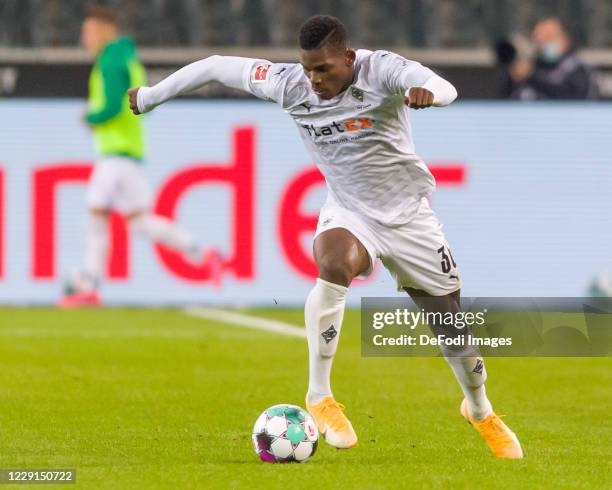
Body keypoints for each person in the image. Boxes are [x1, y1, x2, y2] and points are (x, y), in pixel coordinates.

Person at [128, 15, 523, 459]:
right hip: (350, 211)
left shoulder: (381, 71)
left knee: (451, 326)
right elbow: (218, 65)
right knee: (334, 262)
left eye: (324, 69)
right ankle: (320, 396)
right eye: (308, 68)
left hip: (410, 218)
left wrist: (431, 95)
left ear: (349, 59)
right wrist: (150, 96)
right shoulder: (288, 84)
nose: (314, 79)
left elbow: (441, 84)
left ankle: (479, 408)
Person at [60, 4, 221, 308]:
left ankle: (89, 285)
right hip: (130, 155)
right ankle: (203, 253)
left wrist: (90, 117)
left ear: (107, 29)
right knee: (140, 223)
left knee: (96, 215)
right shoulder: (129, 58)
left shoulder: (110, 61)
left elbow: (110, 107)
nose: (86, 38)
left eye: (90, 31)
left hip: (115, 155)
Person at [501, 17, 597, 100]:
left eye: (549, 37)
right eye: (538, 38)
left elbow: (573, 97)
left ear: (565, 38)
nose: (543, 42)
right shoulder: (531, 65)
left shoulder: (577, 68)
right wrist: (513, 77)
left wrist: (530, 77)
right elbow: (503, 99)